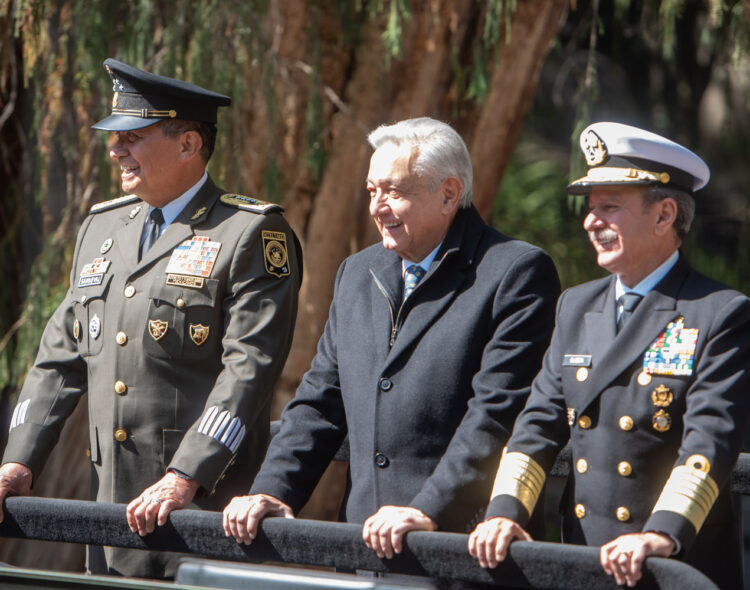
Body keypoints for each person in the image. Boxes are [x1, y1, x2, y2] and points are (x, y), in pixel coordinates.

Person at [0, 59, 301, 578]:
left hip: (200, 515)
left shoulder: (250, 231)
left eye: (133, 137)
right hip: (109, 513)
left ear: (188, 145)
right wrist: (18, 460)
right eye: (116, 138)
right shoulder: (102, 226)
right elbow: (60, 358)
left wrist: (186, 473)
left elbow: (249, 369)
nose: (116, 149)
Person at [222, 117, 561, 562]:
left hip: (462, 552)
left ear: (449, 194)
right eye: (371, 191)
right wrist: (272, 490)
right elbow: (321, 400)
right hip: (365, 548)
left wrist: (425, 511)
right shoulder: (357, 274)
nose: (378, 207)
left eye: (395, 192)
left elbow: (495, 416)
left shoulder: (514, 273)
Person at [468, 121, 750, 589]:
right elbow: (537, 424)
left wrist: (661, 535)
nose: (590, 221)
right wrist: (503, 513)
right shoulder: (575, 306)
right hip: (584, 559)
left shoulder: (719, 312)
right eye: (591, 208)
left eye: (610, 207)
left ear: (663, 216)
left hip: (669, 565)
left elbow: (709, 443)